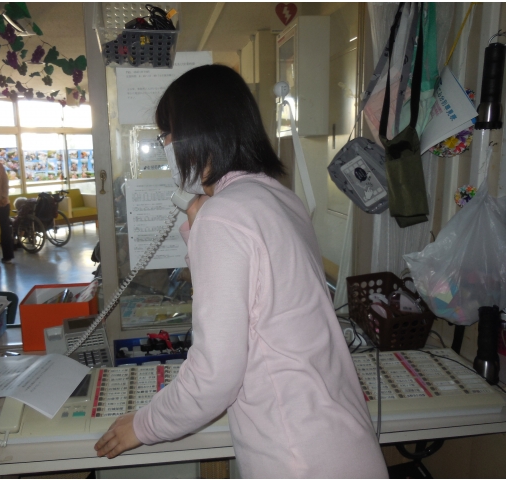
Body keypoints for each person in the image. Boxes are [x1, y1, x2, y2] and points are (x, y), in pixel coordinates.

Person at [94, 65, 388, 478]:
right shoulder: (277, 198)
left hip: (297, 456)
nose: (166, 146)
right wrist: (199, 222)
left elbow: (215, 377)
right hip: (342, 441)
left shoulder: (225, 217)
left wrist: (142, 425)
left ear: (199, 134)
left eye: (168, 135)